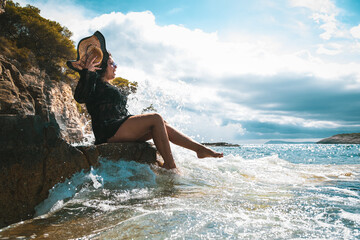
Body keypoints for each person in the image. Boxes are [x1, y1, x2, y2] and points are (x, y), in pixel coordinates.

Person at [68, 31, 223, 170]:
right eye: (112, 63)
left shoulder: (106, 85)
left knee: (162, 123)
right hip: (108, 132)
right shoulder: (93, 82)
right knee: (155, 118)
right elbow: (80, 97)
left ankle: (199, 149)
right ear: (102, 66)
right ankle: (170, 165)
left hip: (118, 126)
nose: (116, 66)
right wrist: (87, 73)